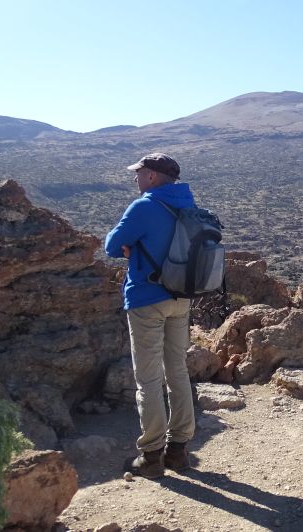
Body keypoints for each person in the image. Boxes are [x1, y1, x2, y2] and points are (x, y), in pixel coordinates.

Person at [104, 152, 197, 478]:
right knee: (178, 372)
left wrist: (131, 247)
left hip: (146, 299)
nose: (135, 178)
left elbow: (112, 246)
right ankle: (179, 451)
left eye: (139, 172)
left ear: (153, 177)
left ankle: (152, 456)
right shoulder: (189, 204)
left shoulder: (144, 206)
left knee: (148, 379)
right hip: (181, 298)